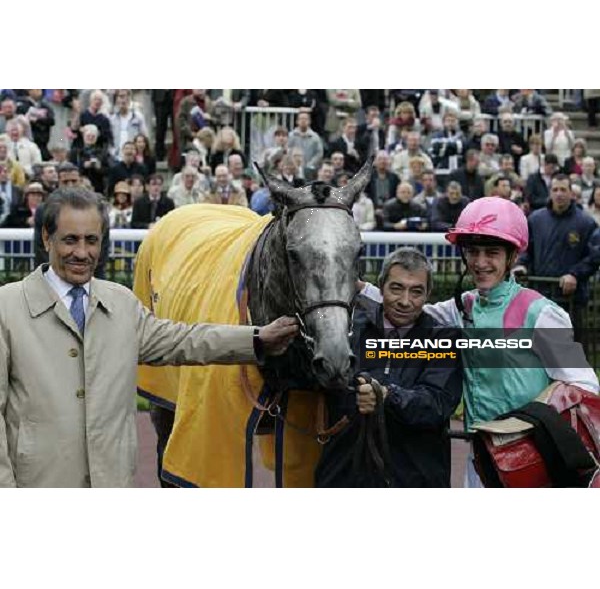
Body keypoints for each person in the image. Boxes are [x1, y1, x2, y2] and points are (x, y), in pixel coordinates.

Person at [0, 188, 299, 488]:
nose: (81, 253)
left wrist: (258, 339)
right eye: (70, 240)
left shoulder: (121, 302)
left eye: (91, 240)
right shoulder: (6, 308)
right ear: (46, 239)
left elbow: (183, 340)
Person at [360, 197, 599, 487]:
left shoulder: (542, 312)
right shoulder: (464, 306)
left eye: (492, 252)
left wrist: (533, 420)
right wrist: (353, 284)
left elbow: (585, 386)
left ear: (512, 257)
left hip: (533, 460)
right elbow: (410, 307)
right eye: (473, 252)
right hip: (480, 460)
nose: (480, 262)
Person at [315, 247, 463, 487]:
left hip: (415, 479)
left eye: (416, 292)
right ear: (381, 286)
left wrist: (386, 396)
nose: (405, 301)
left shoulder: (444, 338)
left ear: (428, 294)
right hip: (344, 474)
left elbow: (436, 404)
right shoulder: (346, 328)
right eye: (396, 288)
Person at [514, 174, 599, 336]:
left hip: (571, 300)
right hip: (540, 298)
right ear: (550, 192)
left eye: (563, 189)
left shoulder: (586, 223)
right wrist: (521, 265)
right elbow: (527, 248)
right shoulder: (535, 219)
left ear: (571, 193)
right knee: (539, 350)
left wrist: (575, 274)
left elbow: (595, 256)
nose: (559, 193)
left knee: (570, 351)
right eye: (555, 189)